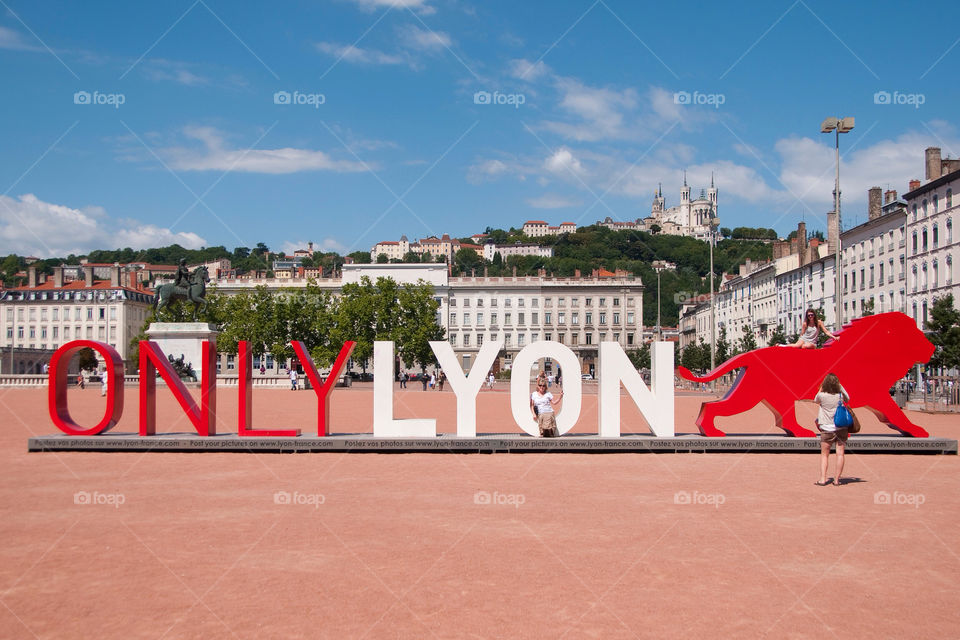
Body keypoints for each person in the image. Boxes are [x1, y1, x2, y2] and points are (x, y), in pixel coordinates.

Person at [814, 373, 849, 486]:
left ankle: (823, 479)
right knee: (840, 454)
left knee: (824, 455)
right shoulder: (840, 395)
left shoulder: (822, 395)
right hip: (841, 427)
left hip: (826, 427)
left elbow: (815, 400)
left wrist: (821, 388)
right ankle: (837, 480)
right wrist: (841, 386)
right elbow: (848, 398)